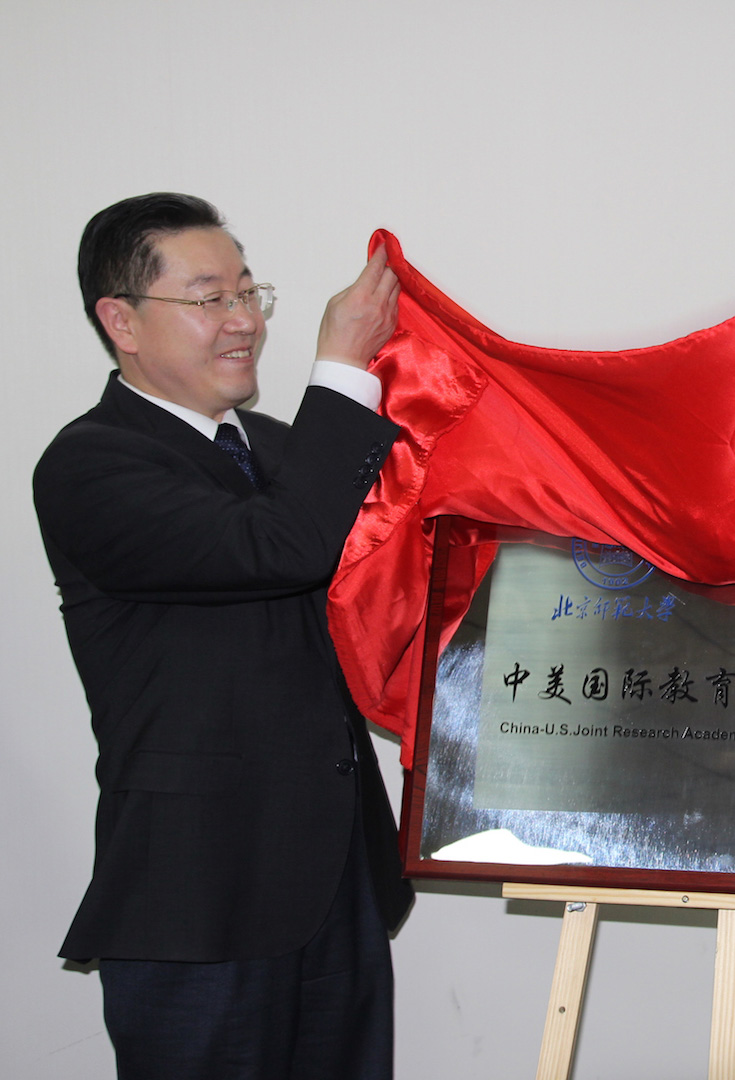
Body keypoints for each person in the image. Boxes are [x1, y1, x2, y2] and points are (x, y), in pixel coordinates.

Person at [34, 193, 415, 1079]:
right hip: (197, 905)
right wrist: (344, 369)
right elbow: (276, 548)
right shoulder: (91, 463)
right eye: (210, 299)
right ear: (120, 321)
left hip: (336, 888)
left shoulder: (285, 452)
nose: (244, 320)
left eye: (249, 292)